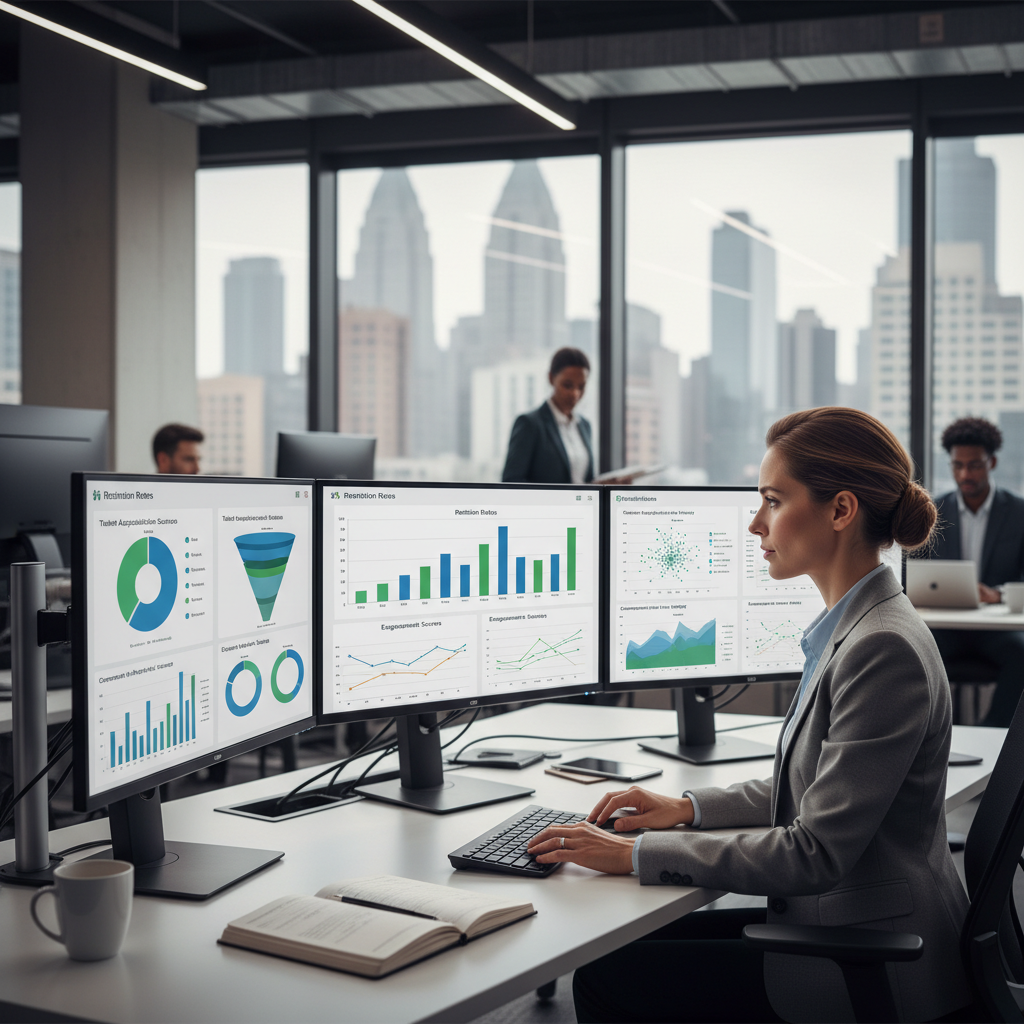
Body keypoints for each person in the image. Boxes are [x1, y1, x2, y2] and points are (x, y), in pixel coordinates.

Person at [527, 407, 974, 1024]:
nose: (754, 524)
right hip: (858, 920)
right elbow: (814, 785)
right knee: (623, 953)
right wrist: (686, 810)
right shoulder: (862, 627)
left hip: (875, 956)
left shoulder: (881, 648)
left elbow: (813, 852)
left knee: (607, 978)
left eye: (771, 500)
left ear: (841, 511)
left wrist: (631, 852)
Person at [926, 416, 1024, 727]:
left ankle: (995, 734)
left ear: (992, 462)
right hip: (946, 628)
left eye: (975, 465)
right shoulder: (933, 513)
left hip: (995, 631)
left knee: (1022, 653)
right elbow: (912, 574)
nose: (965, 474)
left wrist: (998, 595)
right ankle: (932, 735)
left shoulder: (1019, 513)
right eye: (957, 465)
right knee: (909, 650)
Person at [501, 347, 594, 484]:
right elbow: (511, 481)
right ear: (551, 378)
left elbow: (584, 481)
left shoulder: (585, 426)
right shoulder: (529, 424)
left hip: (582, 505)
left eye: (581, 387)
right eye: (567, 385)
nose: (575, 394)